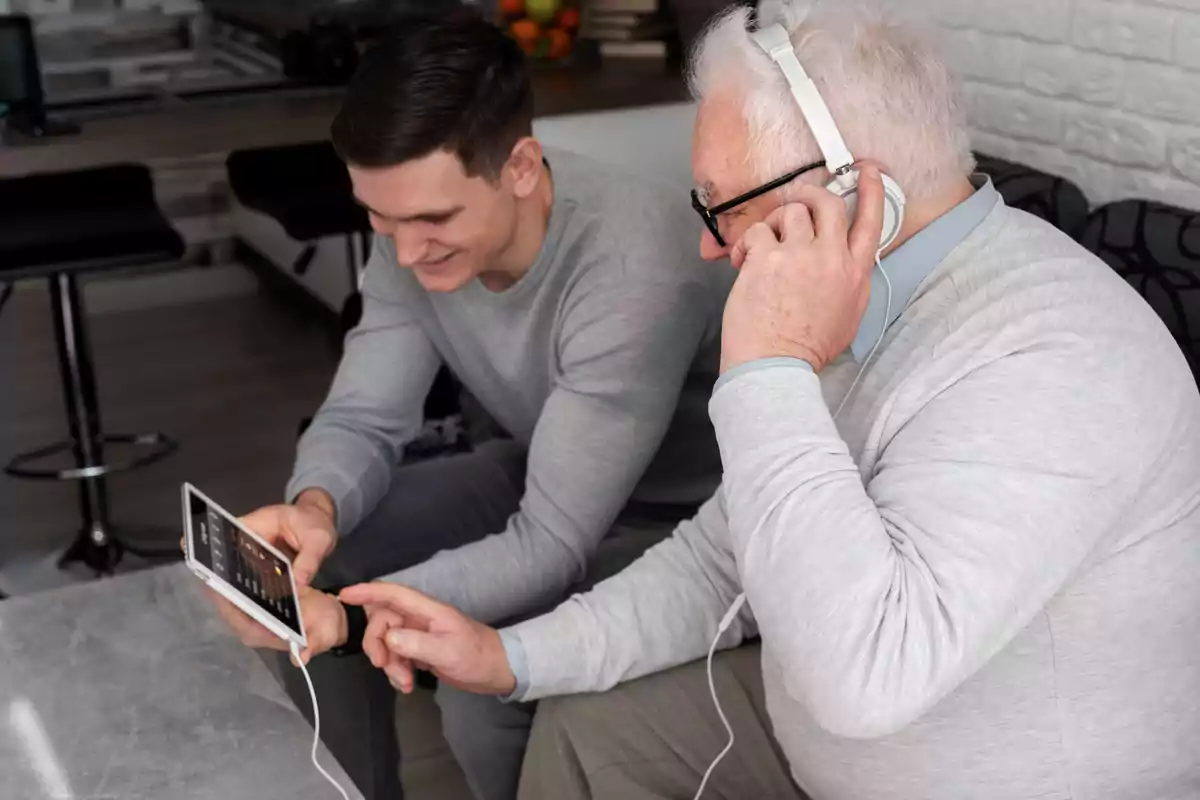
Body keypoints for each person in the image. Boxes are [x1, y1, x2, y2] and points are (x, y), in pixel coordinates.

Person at [340, 3, 1200, 799]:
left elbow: (863, 679)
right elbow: (723, 562)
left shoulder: (1052, 358)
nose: (711, 249)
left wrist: (767, 368)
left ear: (858, 194)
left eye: (722, 208)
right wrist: (506, 658)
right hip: (812, 736)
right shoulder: (853, 299)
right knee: (585, 735)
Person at [204, 11, 733, 800]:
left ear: (520, 165)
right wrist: (314, 510)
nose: (405, 251)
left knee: (478, 690)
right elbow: (362, 418)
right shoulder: (405, 236)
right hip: (543, 474)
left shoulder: (632, 266)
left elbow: (552, 545)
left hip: (684, 521)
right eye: (381, 220)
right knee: (315, 558)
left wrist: (346, 619)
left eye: (432, 221)